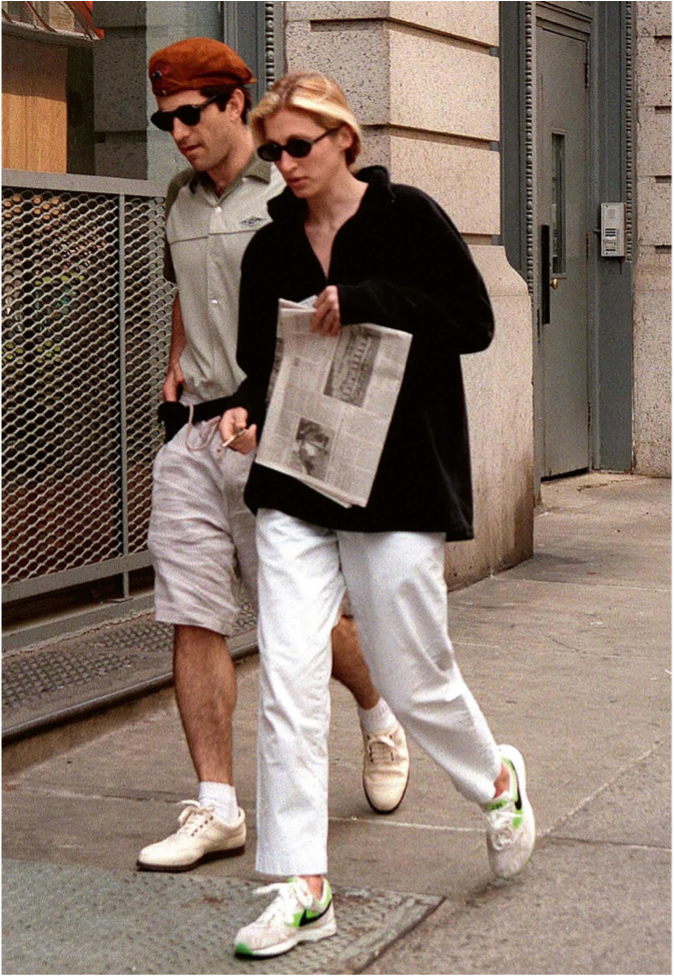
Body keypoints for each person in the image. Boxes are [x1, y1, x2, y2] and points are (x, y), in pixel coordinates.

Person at [220, 72, 536, 959]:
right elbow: (258, 364)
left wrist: (368, 298)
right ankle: (302, 884)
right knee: (287, 675)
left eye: (299, 146)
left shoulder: (409, 218)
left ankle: (496, 780)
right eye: (273, 151)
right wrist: (243, 411)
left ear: (343, 142)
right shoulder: (269, 248)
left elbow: (473, 323)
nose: (285, 164)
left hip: (396, 482)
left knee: (410, 673)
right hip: (295, 483)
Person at [137, 41, 410, 874]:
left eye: (191, 114)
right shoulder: (178, 199)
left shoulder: (288, 190)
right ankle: (217, 804)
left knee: (308, 622)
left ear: (232, 104)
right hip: (194, 432)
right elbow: (189, 293)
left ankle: (378, 709)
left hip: (276, 436)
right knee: (193, 614)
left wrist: (279, 419)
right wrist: (177, 363)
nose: (178, 132)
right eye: (164, 119)